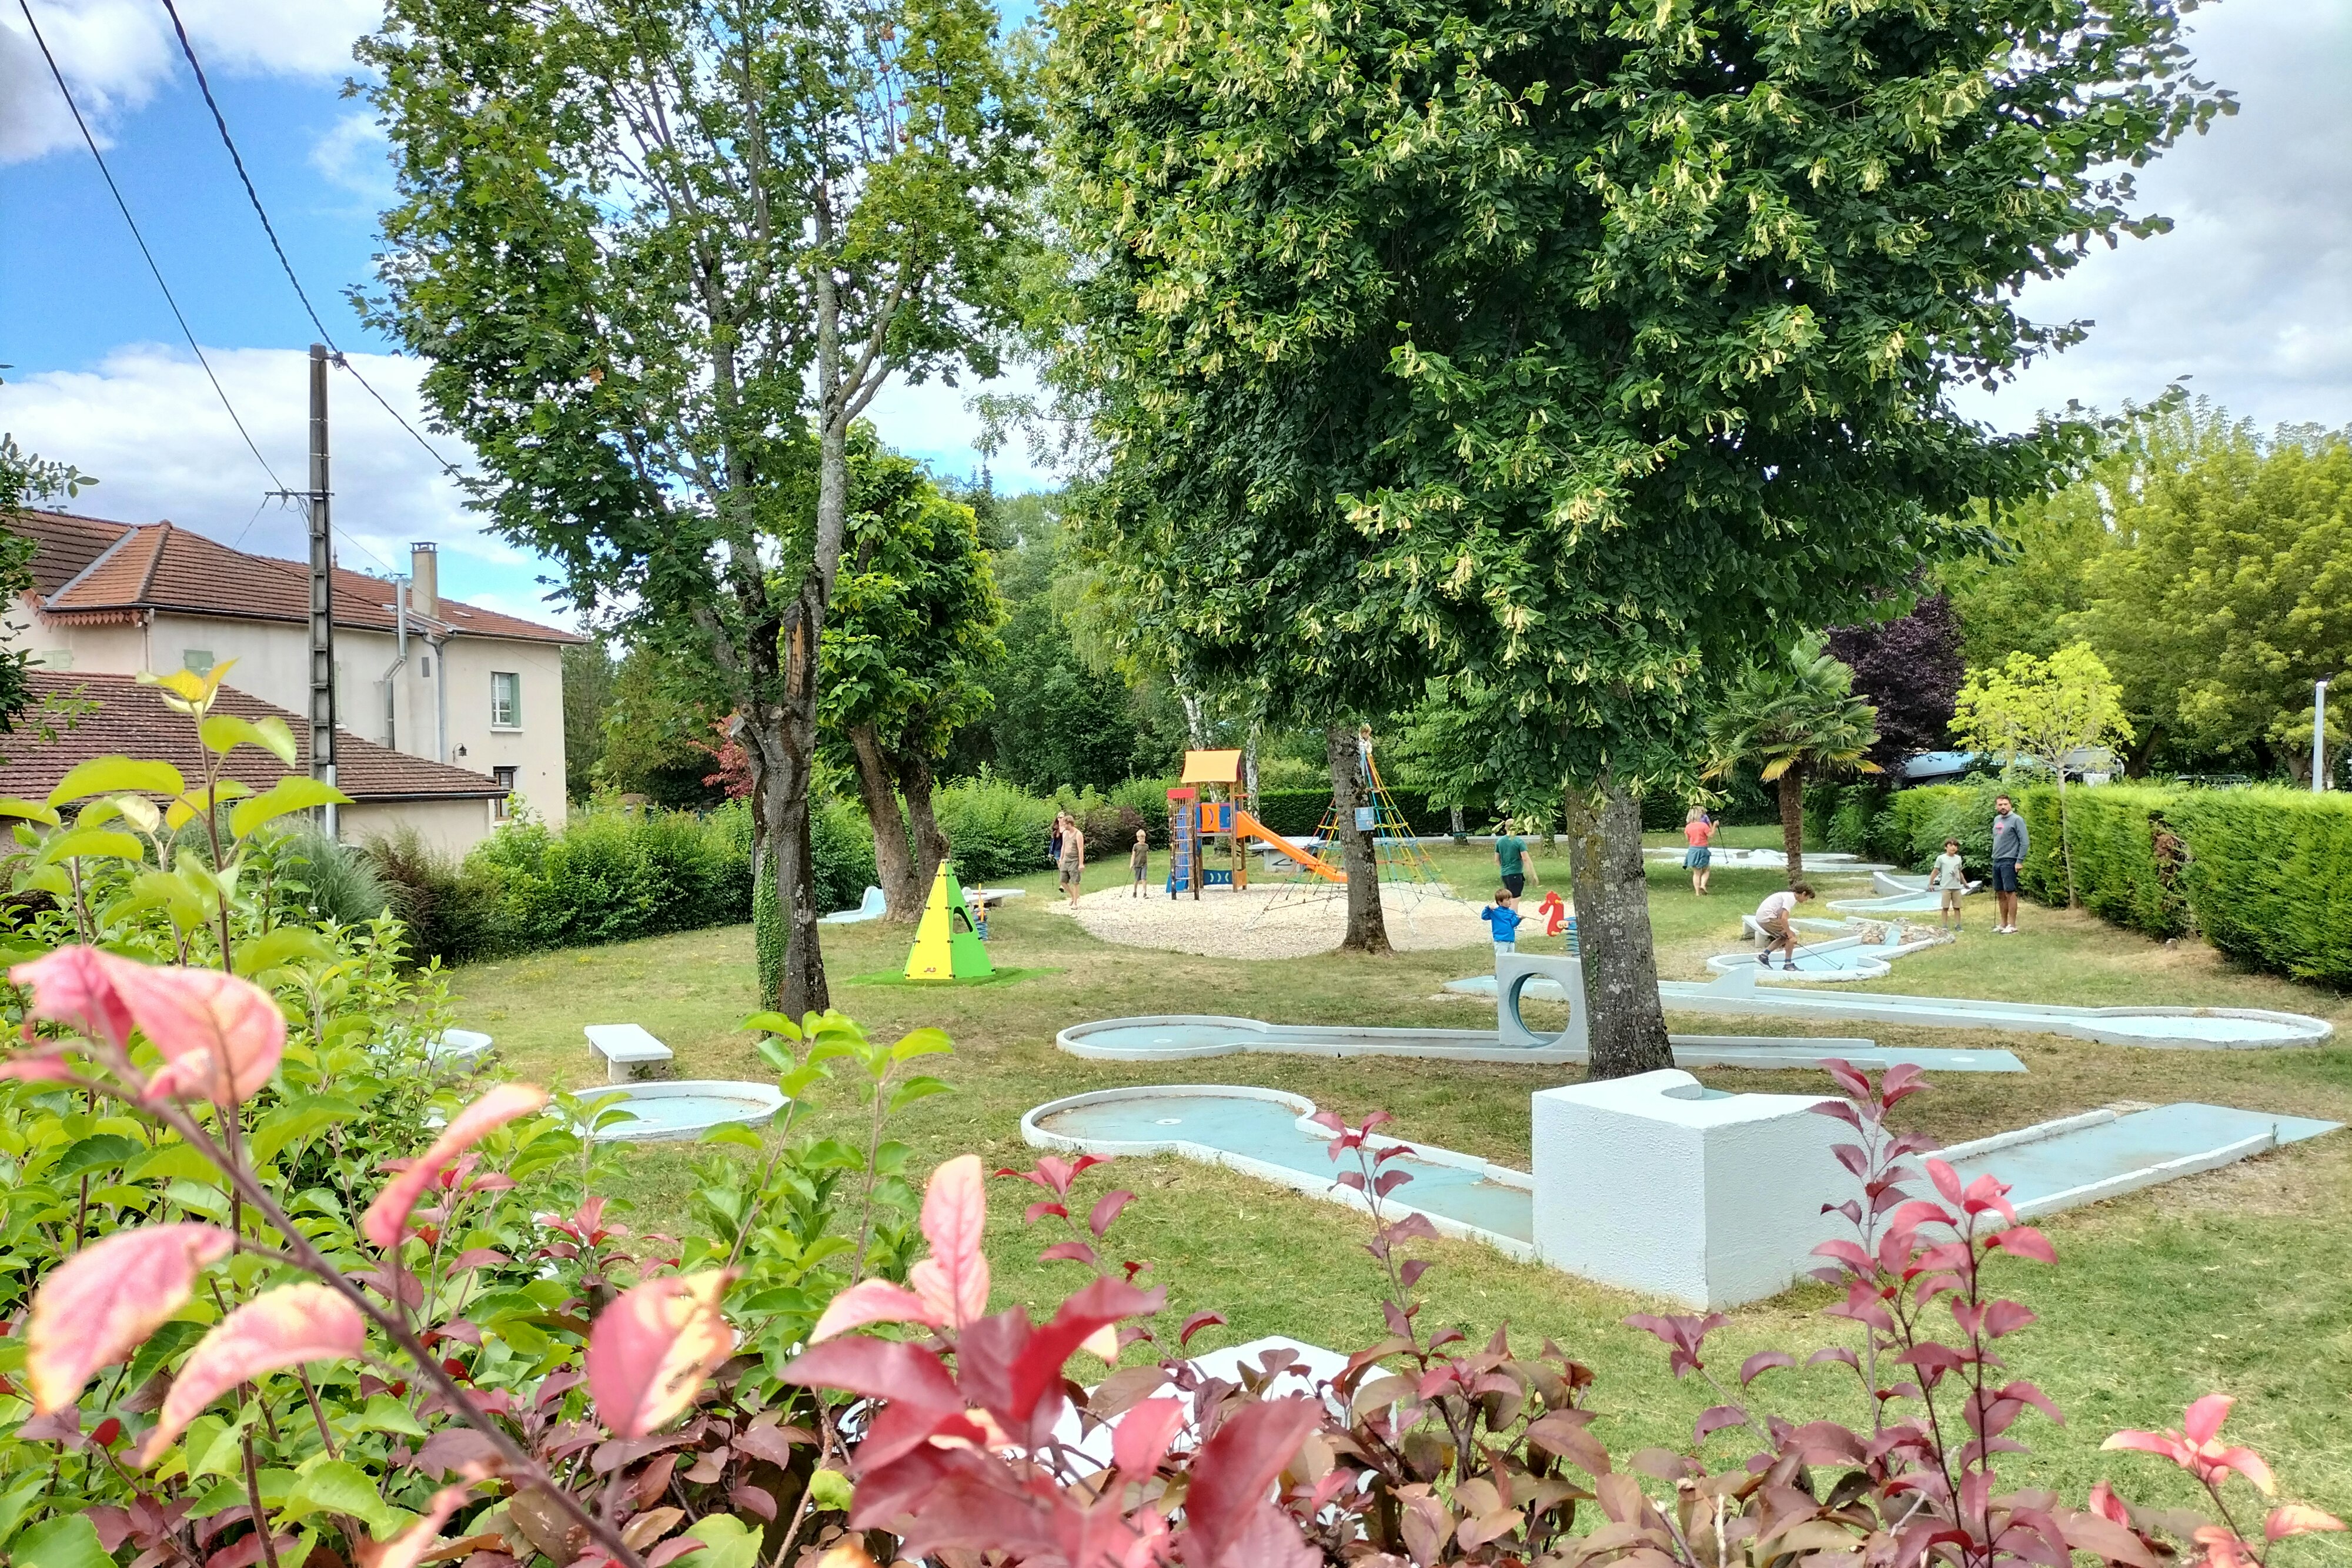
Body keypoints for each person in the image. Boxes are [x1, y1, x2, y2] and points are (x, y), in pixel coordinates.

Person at [1753, 882, 1816, 969]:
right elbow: (1784, 919)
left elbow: (1780, 916)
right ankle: (1788, 965)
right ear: (1804, 893)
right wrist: (1791, 936)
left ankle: (1764, 956)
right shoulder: (1790, 899)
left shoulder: (1787, 896)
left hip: (1761, 918)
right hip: (1767, 918)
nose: (1806, 900)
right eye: (1807, 897)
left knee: (1784, 937)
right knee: (1791, 935)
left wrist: (1788, 934)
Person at [1991, 795, 2028, 934]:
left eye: (2005, 804)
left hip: (2010, 860)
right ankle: (2003, 924)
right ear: (1996, 807)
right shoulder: (1997, 820)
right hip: (1997, 860)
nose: (2003, 807)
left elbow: (2025, 842)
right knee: (2000, 893)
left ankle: (2012, 925)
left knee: (2009, 892)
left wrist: (2019, 861)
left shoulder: (2017, 820)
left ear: (2010, 805)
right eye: (2000, 805)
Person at [1929, 838, 1967, 932]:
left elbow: (1959, 872)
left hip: (1957, 887)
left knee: (1957, 907)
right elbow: (1935, 871)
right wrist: (1931, 884)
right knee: (1945, 907)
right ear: (1946, 847)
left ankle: (1958, 925)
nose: (1953, 847)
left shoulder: (1958, 859)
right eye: (1951, 845)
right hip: (1946, 886)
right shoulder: (1941, 858)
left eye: (1955, 845)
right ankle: (1944, 926)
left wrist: (1965, 883)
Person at [1494, 824, 1536, 899]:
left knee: (1508, 898)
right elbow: (1525, 859)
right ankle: (1514, 911)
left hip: (1505, 874)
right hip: (1516, 873)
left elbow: (1497, 860)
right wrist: (1531, 874)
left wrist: (1504, 868)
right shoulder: (1519, 841)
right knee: (1514, 900)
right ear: (1516, 828)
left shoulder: (1499, 842)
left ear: (1506, 828)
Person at [1682, 806, 1716, 896]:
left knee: (1696, 873)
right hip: (1702, 849)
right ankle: (1703, 885)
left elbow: (1688, 839)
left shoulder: (1688, 827)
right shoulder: (1703, 825)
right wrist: (1715, 826)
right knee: (1706, 869)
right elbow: (1711, 835)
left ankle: (1697, 893)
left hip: (1692, 850)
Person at [1480, 887, 1523, 955]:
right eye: (1507, 900)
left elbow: (1513, 924)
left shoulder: (1512, 912)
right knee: (1501, 959)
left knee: (1511, 960)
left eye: (1511, 899)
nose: (1510, 901)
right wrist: (1488, 908)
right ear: (1500, 902)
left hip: (1511, 940)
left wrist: (1519, 919)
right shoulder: (1495, 912)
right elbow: (1484, 917)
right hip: (1500, 941)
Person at [1058, 817, 1086, 909]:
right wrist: (1061, 859)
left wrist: (1081, 863)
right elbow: (1064, 846)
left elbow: (1081, 849)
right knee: (1063, 881)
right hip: (1066, 860)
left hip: (1074, 861)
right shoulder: (1065, 833)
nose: (1063, 826)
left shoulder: (1078, 834)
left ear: (1070, 824)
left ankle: (1075, 903)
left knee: (1075, 882)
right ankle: (1073, 896)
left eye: (1065, 825)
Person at [1128, 828, 1151, 898]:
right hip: (1137, 864)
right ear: (1138, 838)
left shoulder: (1146, 846)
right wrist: (1132, 864)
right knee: (1137, 879)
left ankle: (1145, 893)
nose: (1142, 839)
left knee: (1144, 879)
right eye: (1141, 838)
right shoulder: (1136, 846)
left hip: (1144, 864)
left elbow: (1146, 855)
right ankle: (1135, 892)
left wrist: (1147, 863)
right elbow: (1133, 855)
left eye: (1143, 838)